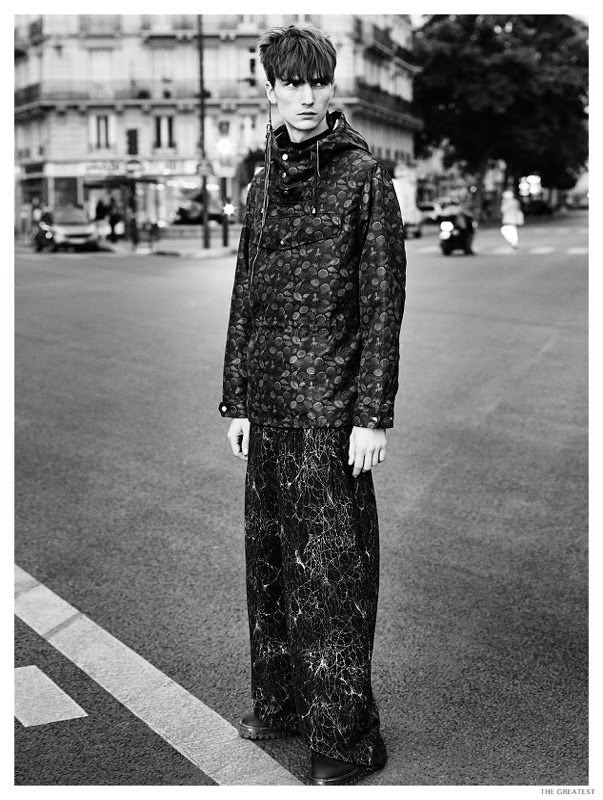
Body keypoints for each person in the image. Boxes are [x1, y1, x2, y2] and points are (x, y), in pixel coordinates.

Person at [219, 25, 406, 786]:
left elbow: (382, 303)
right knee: (269, 570)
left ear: (331, 87)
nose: (305, 97)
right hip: (268, 407)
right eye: (291, 84)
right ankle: (284, 707)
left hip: (331, 411)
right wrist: (236, 399)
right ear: (269, 88)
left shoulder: (364, 177)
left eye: (317, 83)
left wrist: (372, 414)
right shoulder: (261, 183)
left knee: (331, 580)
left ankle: (347, 738)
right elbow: (246, 295)